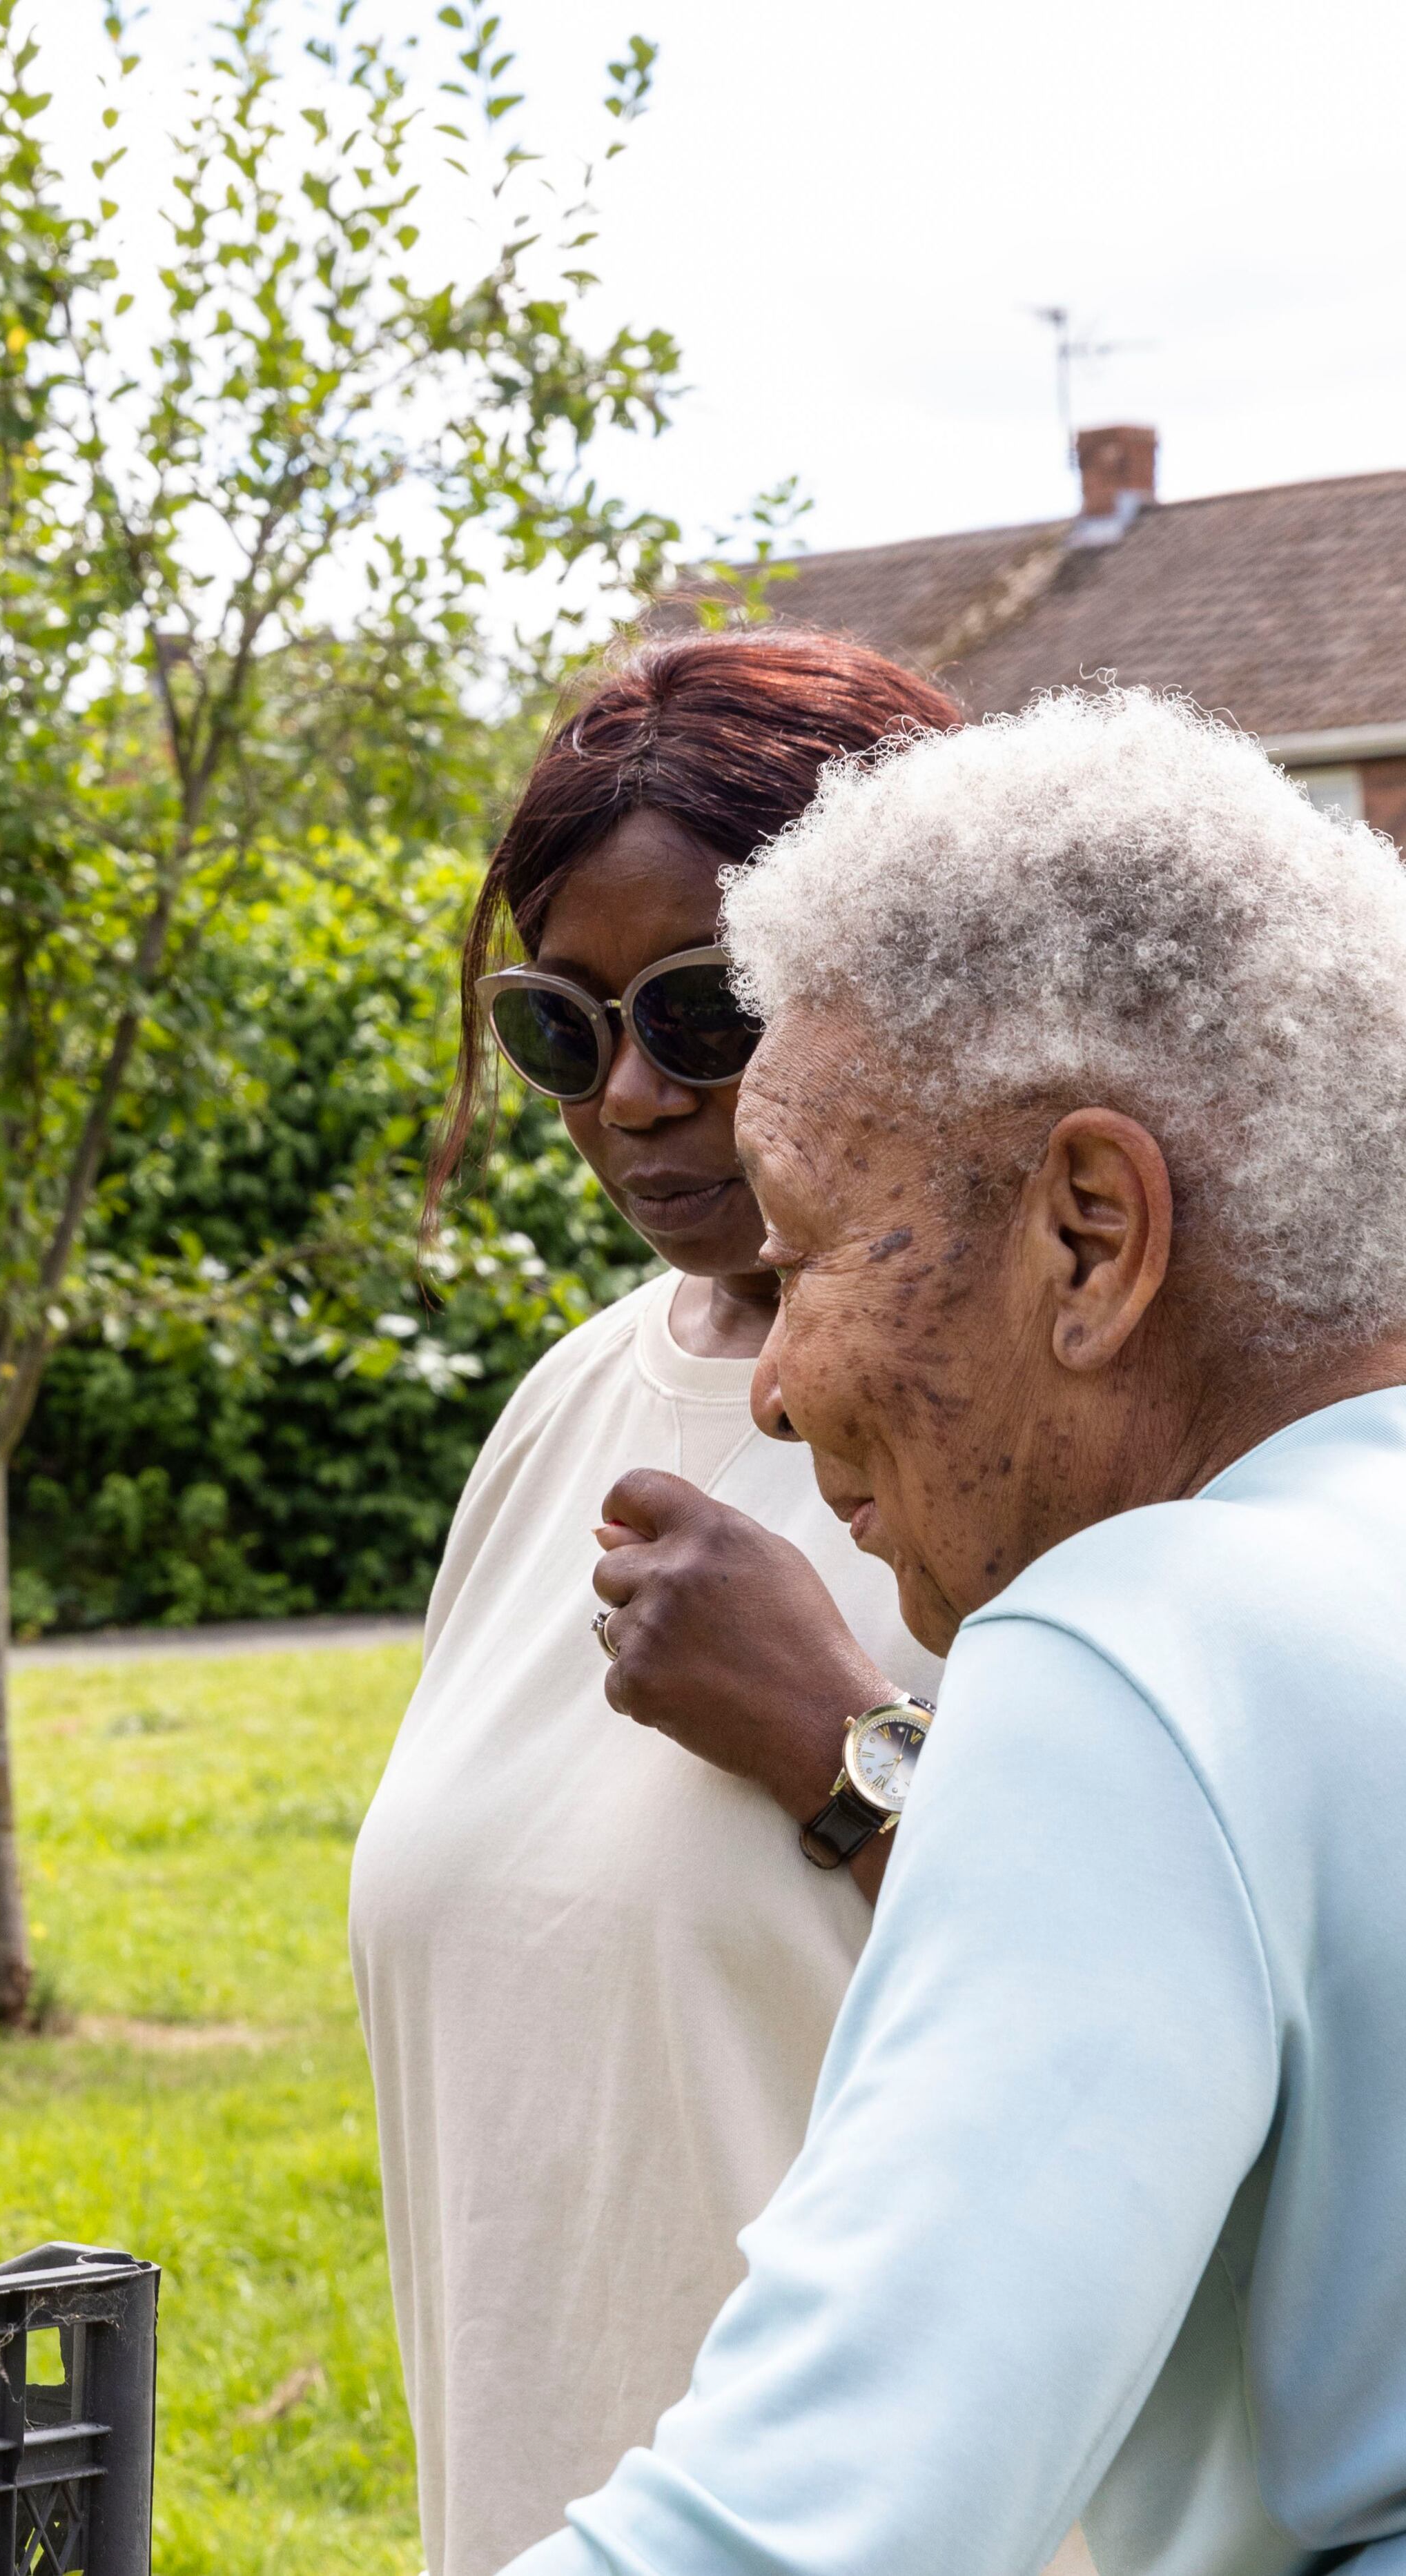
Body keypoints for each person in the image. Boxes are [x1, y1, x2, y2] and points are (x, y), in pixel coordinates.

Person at [503, 691, 1406, 2575]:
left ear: (1090, 1233)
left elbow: (802, 2533)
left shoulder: (1142, 1656)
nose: (775, 1383)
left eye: (817, 1243)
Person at [351, 632, 1015, 2576]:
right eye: (562, 1026)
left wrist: (844, 1753)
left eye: (707, 1011)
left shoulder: (1059, 1433)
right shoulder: (562, 1407)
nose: (633, 1095)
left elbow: (1218, 2042)